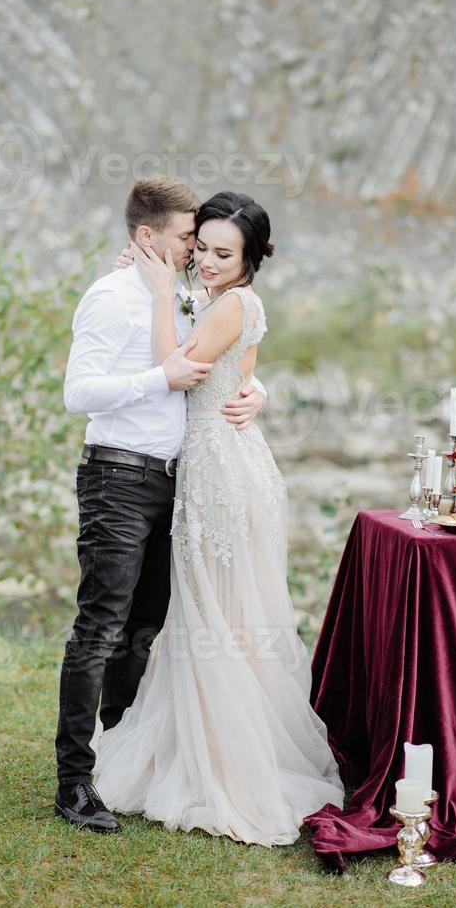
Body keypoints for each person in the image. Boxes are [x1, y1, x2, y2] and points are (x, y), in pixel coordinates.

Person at [91, 191, 344, 846]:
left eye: (222, 253)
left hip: (219, 478)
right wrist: (255, 391)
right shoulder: (232, 303)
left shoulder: (232, 302)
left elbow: (170, 368)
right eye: (199, 247)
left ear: (252, 257)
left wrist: (154, 287)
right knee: (217, 618)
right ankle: (213, 749)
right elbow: (241, 375)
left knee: (211, 616)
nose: (204, 260)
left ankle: (226, 771)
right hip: (229, 464)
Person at [54, 177, 268, 833]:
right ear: (146, 238)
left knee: (145, 629)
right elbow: (77, 392)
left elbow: (226, 348)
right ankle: (73, 783)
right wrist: (158, 377)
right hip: (117, 477)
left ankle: (118, 753)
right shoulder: (110, 297)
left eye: (203, 244)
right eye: (186, 240)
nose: (195, 252)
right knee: (101, 627)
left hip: (177, 481)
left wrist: (259, 392)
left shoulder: (182, 295)